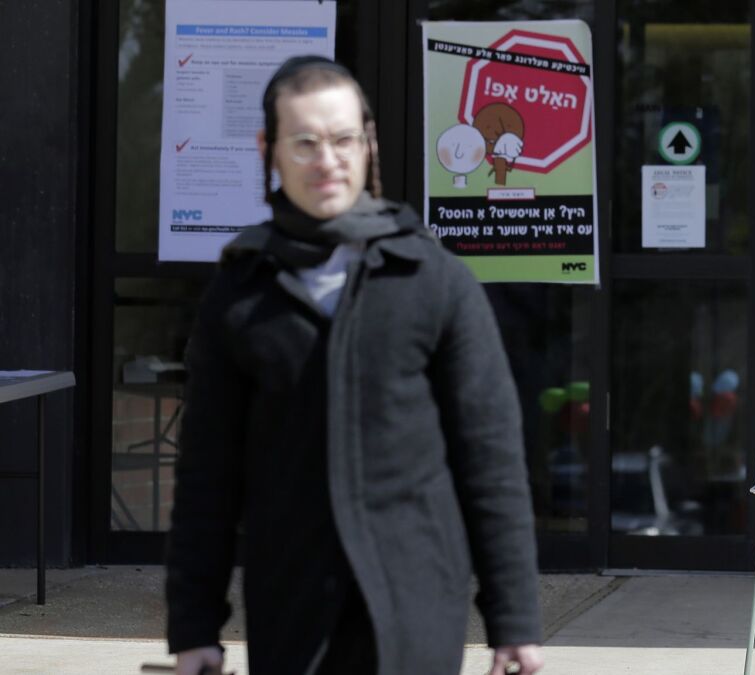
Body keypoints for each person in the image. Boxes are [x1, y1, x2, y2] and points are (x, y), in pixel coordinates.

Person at [165, 56, 544, 675]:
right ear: (270, 148)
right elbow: (207, 475)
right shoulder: (241, 293)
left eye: (343, 139)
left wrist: (515, 622)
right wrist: (193, 626)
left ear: (368, 142)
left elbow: (491, 459)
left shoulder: (433, 279)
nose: (327, 161)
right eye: (305, 142)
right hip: (292, 610)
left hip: (415, 606)